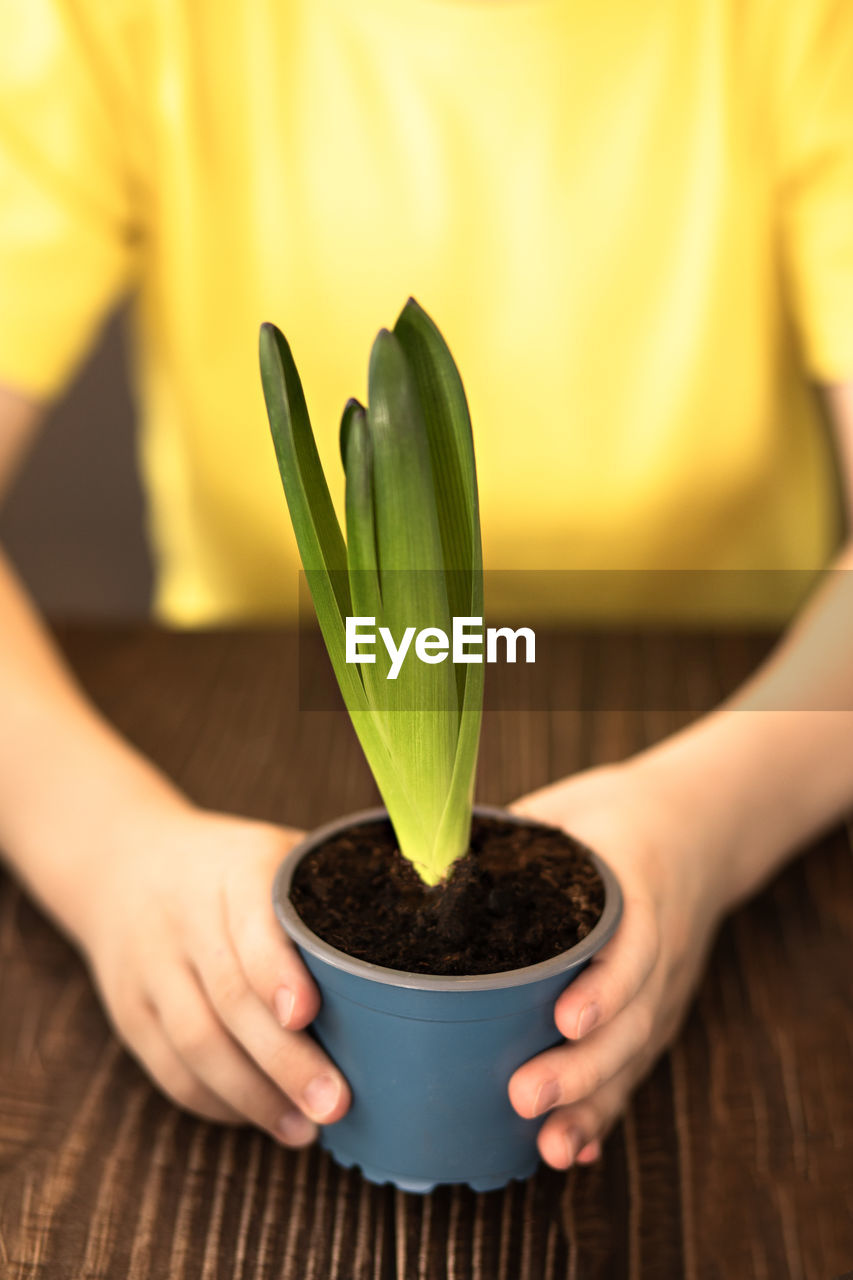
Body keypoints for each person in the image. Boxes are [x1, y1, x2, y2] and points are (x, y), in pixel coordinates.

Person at [0, 0, 851, 1171]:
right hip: (248, 736)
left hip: (733, 725)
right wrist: (106, 849)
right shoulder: (115, 21)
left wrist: (708, 824)